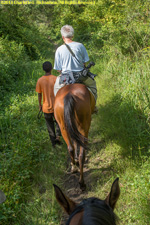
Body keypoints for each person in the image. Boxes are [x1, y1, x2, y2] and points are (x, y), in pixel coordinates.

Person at [54, 25, 97, 103]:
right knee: (92, 85)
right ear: (72, 35)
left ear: (62, 36)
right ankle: (94, 106)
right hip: (80, 76)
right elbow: (85, 62)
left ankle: (56, 108)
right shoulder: (80, 46)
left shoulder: (59, 49)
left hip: (65, 77)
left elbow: (58, 69)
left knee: (56, 90)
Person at [36, 61, 62, 147]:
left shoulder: (40, 80)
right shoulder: (55, 78)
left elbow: (39, 94)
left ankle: (53, 143)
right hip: (56, 107)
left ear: (43, 69)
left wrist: (40, 105)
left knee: (49, 125)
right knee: (59, 121)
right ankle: (58, 136)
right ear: (51, 68)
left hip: (46, 107)